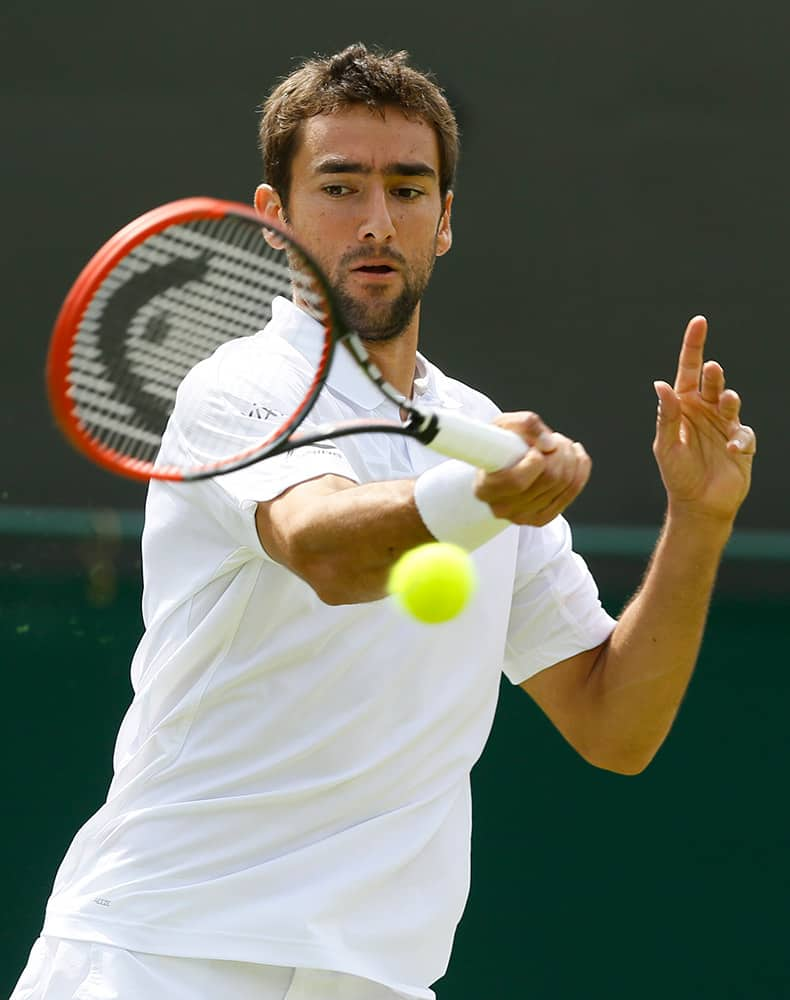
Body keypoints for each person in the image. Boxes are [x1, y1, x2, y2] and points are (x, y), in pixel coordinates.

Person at [12, 42, 756, 1000]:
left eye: (408, 190)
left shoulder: (481, 428)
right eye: (339, 187)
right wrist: (482, 496)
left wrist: (698, 521)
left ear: (444, 221)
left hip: (377, 976)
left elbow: (617, 726)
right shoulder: (240, 385)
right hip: (163, 951)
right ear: (273, 218)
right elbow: (325, 549)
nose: (376, 221)